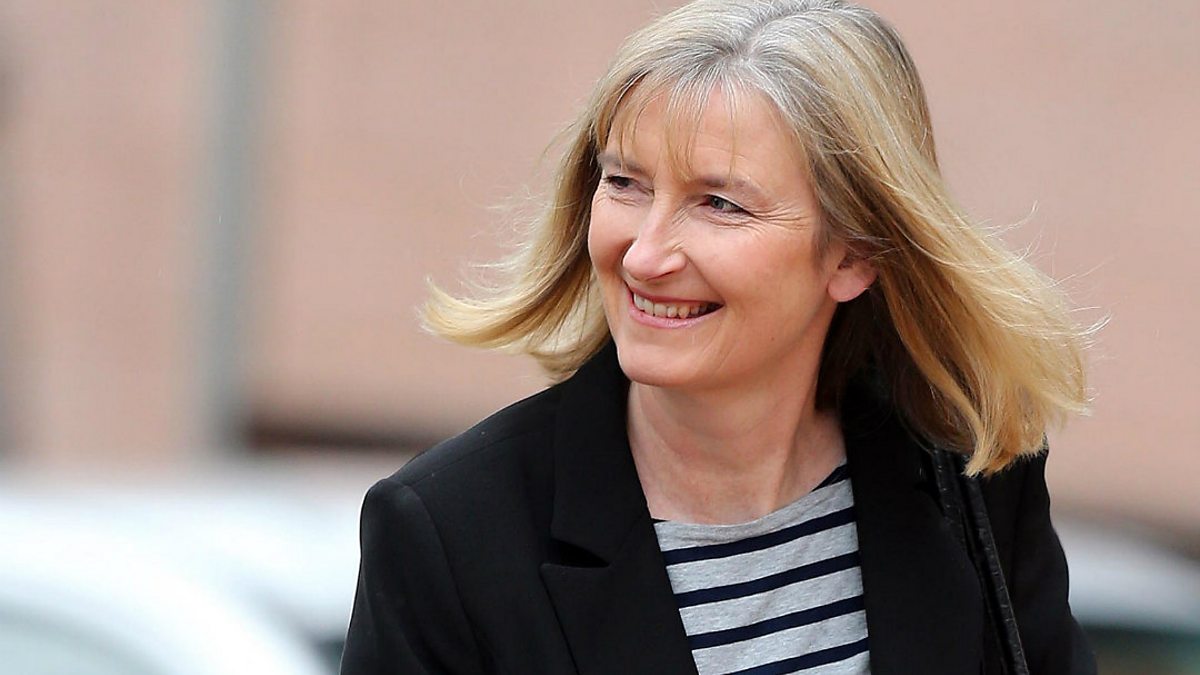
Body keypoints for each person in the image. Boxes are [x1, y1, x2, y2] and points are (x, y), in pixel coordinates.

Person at [341, 0, 1098, 673]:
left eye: (719, 203)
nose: (644, 256)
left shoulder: (969, 473)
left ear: (854, 254)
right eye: (625, 183)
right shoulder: (448, 534)